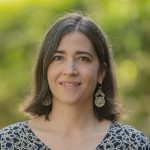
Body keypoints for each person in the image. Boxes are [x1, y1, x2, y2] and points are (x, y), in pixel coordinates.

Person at [0, 12, 149, 150]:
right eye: (58, 58)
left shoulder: (132, 144)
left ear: (101, 73)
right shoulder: (9, 142)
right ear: (45, 69)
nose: (70, 70)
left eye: (83, 58)